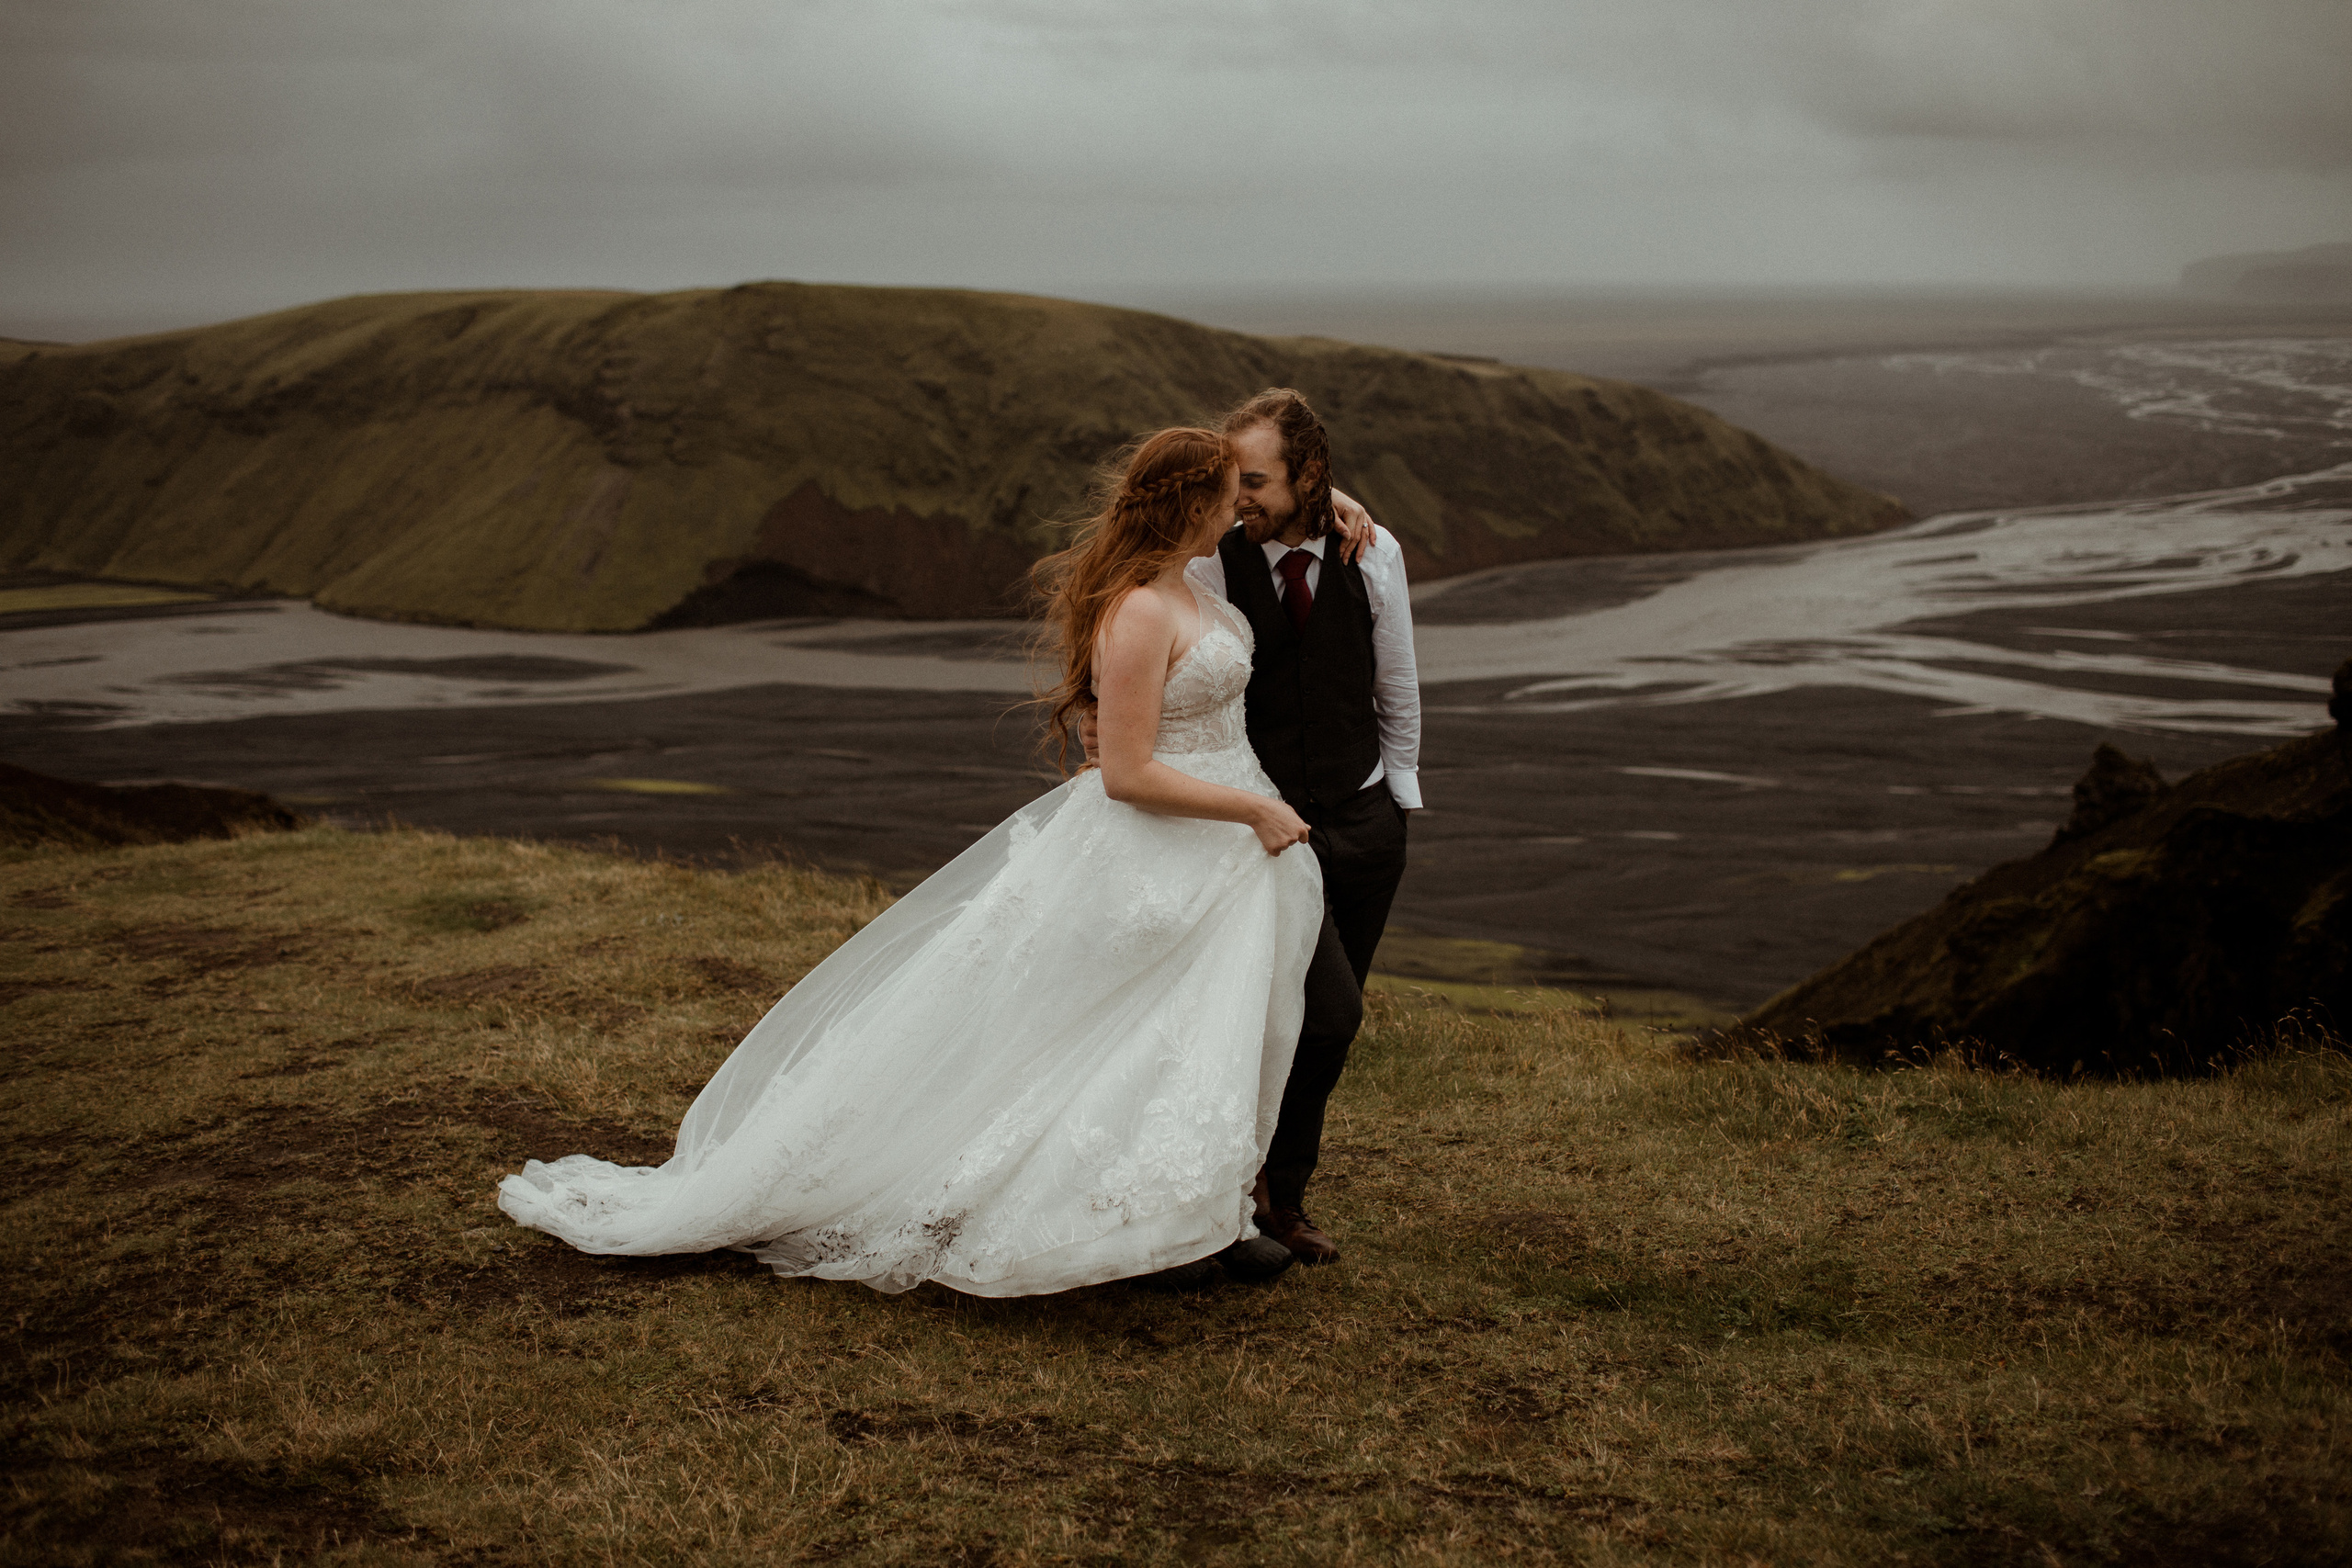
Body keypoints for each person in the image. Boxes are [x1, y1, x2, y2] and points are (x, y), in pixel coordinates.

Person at [497, 427, 1324, 1295]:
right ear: (1193, 503)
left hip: (1225, 854)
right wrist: (1252, 807)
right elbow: (1122, 771)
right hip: (1166, 845)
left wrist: (1337, 501)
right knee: (1092, 1034)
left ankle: (1196, 1214)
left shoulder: (1197, 579)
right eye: (1229, 493)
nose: (1240, 507)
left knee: (1197, 1032)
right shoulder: (1143, 609)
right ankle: (1099, 1215)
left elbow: (1283, 518)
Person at [1184, 388, 1422, 1265]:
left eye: (1253, 479)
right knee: (1312, 1017)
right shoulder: (1212, 560)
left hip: (1365, 823)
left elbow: (1395, 684)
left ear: (1307, 475)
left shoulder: (1375, 550)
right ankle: (1229, 1194)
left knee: (1325, 1035)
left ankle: (1284, 1198)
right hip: (1266, 830)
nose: (1237, 495)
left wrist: (1398, 797)